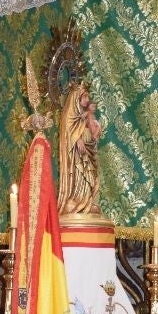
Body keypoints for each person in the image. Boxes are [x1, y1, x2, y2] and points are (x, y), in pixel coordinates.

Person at [56, 83, 104, 220]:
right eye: (85, 97)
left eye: (88, 96)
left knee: (91, 178)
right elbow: (68, 133)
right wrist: (77, 139)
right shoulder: (69, 116)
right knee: (80, 177)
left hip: (87, 154)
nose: (87, 100)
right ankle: (77, 201)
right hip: (76, 158)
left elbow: (90, 131)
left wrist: (94, 134)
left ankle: (88, 202)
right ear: (77, 98)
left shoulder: (84, 115)